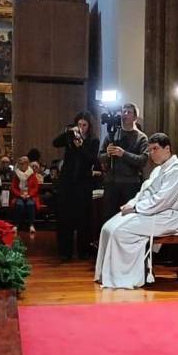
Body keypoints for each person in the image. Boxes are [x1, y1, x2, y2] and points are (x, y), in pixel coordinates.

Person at [95, 133, 178, 289]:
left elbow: (162, 200)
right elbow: (143, 193)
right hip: (152, 212)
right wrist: (131, 204)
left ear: (167, 148)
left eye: (155, 149)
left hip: (167, 216)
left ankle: (125, 277)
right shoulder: (158, 170)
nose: (152, 154)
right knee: (108, 227)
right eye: (150, 150)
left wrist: (136, 208)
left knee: (120, 230)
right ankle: (107, 275)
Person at [53, 111, 99, 261]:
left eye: (84, 125)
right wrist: (68, 132)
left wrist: (80, 146)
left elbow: (91, 159)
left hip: (83, 183)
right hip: (67, 182)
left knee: (83, 218)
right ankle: (65, 252)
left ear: (89, 126)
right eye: (79, 124)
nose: (81, 127)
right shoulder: (70, 137)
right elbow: (55, 143)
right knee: (65, 217)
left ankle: (83, 251)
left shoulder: (93, 140)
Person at [99, 103, 150, 218]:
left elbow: (143, 160)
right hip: (111, 183)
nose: (125, 114)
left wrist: (124, 154)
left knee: (128, 217)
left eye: (129, 112)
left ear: (135, 117)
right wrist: (107, 154)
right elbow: (100, 157)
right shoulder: (112, 135)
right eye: (123, 111)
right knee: (109, 216)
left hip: (130, 183)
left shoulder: (141, 137)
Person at [9, 155, 41, 233]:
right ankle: (16, 225)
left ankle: (31, 225)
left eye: (24, 163)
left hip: (30, 196)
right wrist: (20, 195)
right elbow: (13, 187)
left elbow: (35, 187)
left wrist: (29, 195)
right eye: (20, 164)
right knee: (19, 205)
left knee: (31, 204)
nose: (22, 165)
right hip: (19, 196)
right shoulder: (16, 174)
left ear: (27, 164)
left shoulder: (32, 174)